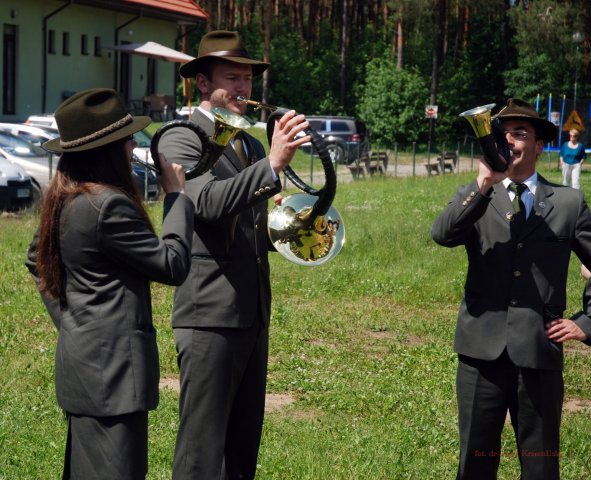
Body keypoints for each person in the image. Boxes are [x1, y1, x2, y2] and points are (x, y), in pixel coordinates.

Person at [157, 30, 310, 479]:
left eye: (248, 79)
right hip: (208, 314)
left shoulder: (251, 144)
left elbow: (243, 225)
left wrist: (290, 227)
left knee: (242, 448)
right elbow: (203, 203)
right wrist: (274, 167)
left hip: (251, 310)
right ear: (202, 84)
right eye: (232, 78)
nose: (244, 89)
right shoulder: (181, 138)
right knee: (202, 451)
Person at [25, 88, 195, 479]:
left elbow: (36, 261)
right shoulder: (109, 206)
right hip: (114, 379)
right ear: (108, 150)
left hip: (85, 370)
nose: (133, 148)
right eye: (127, 141)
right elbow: (173, 265)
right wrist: (177, 199)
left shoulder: (65, 197)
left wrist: (72, 319)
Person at [432, 98, 591, 480]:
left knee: (540, 466)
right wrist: (483, 183)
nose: (509, 141)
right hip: (479, 355)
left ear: (539, 145)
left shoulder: (569, 203)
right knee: (475, 462)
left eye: (520, 134)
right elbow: (443, 234)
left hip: (538, 352)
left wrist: (587, 322)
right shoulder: (476, 195)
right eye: (502, 134)